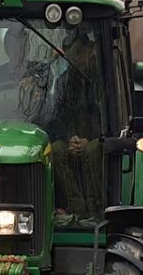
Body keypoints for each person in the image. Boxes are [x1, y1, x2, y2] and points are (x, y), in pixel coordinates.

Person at [44, 29, 103, 224]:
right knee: (56, 149)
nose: (77, 58)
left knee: (93, 150)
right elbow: (58, 116)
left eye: (80, 52)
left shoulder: (101, 79)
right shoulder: (64, 81)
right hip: (72, 139)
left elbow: (104, 115)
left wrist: (89, 138)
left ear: (90, 51)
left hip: (97, 138)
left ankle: (96, 208)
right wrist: (68, 138)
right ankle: (74, 207)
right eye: (72, 54)